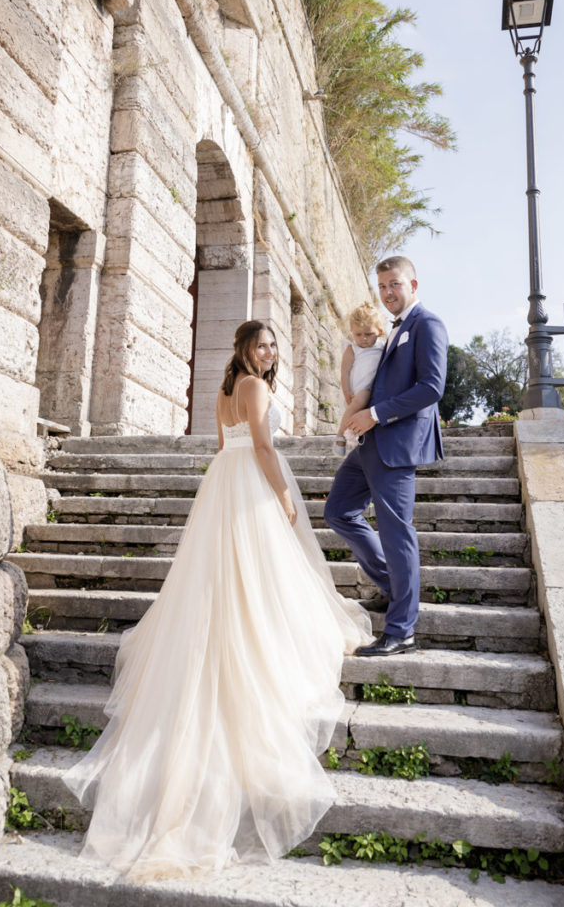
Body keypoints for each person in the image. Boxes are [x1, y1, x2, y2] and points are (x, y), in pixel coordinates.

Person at [63, 321, 372, 880]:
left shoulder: (224, 390)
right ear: (245, 350)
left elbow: (226, 441)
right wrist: (282, 494)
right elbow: (260, 445)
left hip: (222, 482)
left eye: (274, 344)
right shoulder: (254, 387)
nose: (270, 351)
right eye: (262, 344)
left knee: (233, 576)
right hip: (250, 479)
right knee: (258, 573)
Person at [324, 256, 448, 658]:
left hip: (394, 442)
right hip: (370, 442)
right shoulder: (392, 330)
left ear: (413, 283)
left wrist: (374, 413)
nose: (388, 292)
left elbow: (431, 387)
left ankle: (401, 630)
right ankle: (393, 589)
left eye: (394, 284)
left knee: (397, 536)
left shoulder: (426, 324)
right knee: (339, 511)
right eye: (382, 287)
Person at [334, 301, 386, 456]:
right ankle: (340, 435)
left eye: (369, 334)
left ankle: (353, 436)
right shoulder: (352, 349)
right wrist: (346, 392)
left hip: (375, 387)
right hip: (360, 388)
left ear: (380, 331)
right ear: (352, 332)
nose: (363, 339)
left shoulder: (382, 347)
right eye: (358, 334)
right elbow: (344, 372)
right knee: (361, 401)